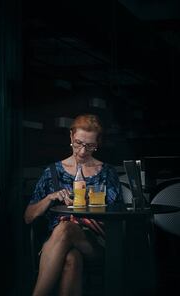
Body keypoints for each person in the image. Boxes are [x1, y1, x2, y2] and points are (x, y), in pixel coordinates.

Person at [24, 114, 122, 296]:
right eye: (78, 143)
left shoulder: (107, 173)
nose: (83, 151)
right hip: (56, 246)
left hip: (95, 244)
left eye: (90, 146)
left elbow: (117, 219)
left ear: (98, 143)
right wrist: (50, 198)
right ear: (71, 137)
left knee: (66, 228)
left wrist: (90, 207)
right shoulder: (52, 172)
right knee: (72, 259)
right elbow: (28, 217)